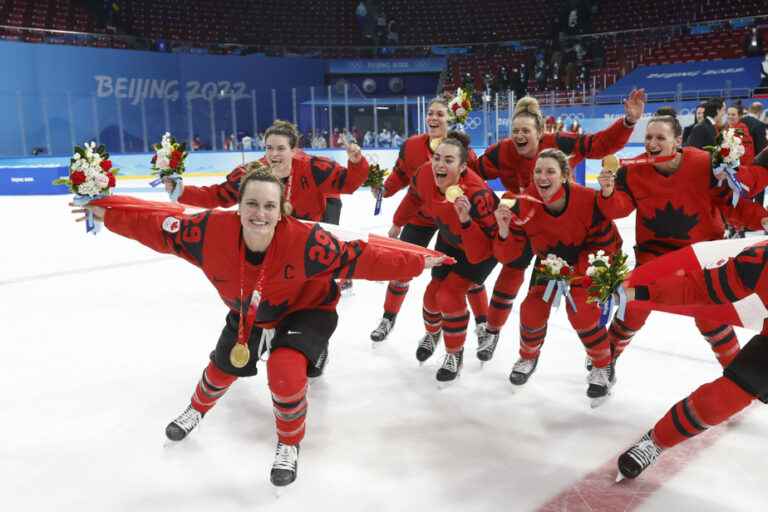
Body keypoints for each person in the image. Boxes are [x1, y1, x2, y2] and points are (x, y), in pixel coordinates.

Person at [73, 167, 444, 487]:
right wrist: (107, 214)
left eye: (269, 206)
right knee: (222, 368)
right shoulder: (208, 233)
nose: (259, 214)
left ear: (282, 210)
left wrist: (415, 263)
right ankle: (195, 410)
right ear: (238, 207)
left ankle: (289, 443)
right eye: (251, 204)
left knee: (285, 370)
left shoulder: (307, 242)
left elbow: (363, 258)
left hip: (307, 308)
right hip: (251, 309)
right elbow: (158, 227)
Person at [473, 91, 644, 363]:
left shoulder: (558, 143)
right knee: (512, 271)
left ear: (540, 133)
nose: (519, 136)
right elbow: (473, 170)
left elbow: (596, 144)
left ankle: (596, 347)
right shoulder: (501, 152)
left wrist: (627, 122)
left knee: (572, 294)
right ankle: (492, 332)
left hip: (559, 224)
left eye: (526, 131)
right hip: (523, 220)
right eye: (515, 130)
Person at [596, 111, 768, 376]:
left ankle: (736, 376)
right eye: (648, 137)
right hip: (655, 255)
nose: (652, 143)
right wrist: (608, 193)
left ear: (677, 140)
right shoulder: (632, 172)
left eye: (660, 137)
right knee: (633, 307)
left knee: (711, 317)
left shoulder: (704, 164)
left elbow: (731, 206)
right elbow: (619, 209)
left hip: (701, 256)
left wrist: (763, 219)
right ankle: (604, 364)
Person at [615, 238, 768, 479]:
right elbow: (703, 287)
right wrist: (641, 291)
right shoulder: (760, 260)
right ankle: (656, 441)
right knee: (717, 402)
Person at [493, 149, 621, 404]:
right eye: (538, 171)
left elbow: (606, 244)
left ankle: (602, 365)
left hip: (594, 259)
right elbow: (510, 255)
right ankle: (528, 356)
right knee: (531, 309)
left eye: (550, 171)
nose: (542, 176)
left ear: (565, 176)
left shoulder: (587, 199)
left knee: (582, 312)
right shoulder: (524, 202)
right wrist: (504, 230)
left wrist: (578, 274)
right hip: (551, 262)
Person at [368, 96, 490, 349]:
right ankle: (388, 319)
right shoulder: (412, 146)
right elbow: (401, 175)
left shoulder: (463, 152)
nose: (434, 118)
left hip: (452, 219)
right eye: (430, 113)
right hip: (421, 218)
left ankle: (482, 323)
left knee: (465, 273)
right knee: (402, 267)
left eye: (440, 114)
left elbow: (476, 181)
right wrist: (385, 191)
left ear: (450, 119)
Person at [392, 132, 499, 382]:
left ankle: (455, 353)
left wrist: (465, 220)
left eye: (448, 160)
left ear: (462, 167)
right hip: (451, 239)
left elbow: (483, 249)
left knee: (449, 295)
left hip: (481, 249)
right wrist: (398, 222)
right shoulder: (424, 174)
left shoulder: (477, 195)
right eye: (437, 158)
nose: (439, 164)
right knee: (431, 296)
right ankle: (433, 334)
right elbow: (414, 197)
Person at [166, 120, 368, 222]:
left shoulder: (314, 168)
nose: (274, 154)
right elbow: (218, 195)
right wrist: (180, 191)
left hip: (312, 235)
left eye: (281, 148)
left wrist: (356, 162)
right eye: (269, 148)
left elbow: (349, 184)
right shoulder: (252, 172)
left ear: (294, 149)